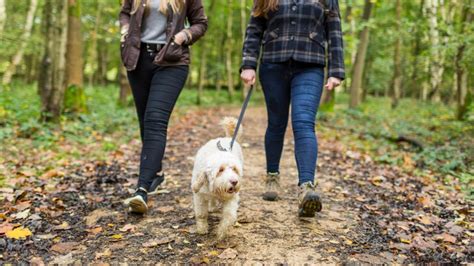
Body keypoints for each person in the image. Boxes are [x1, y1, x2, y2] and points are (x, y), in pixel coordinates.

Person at [240, 0, 345, 217]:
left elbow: (334, 31)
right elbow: (254, 28)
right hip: (272, 63)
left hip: (311, 65)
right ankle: (272, 176)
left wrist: (336, 70)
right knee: (276, 123)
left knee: (304, 122)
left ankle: (306, 188)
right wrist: (249, 63)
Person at [119, 0, 207, 214]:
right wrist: (124, 30)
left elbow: (200, 23)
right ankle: (155, 173)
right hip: (138, 60)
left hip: (172, 61)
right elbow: (124, 13)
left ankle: (141, 190)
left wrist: (183, 36)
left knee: (155, 120)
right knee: (145, 120)